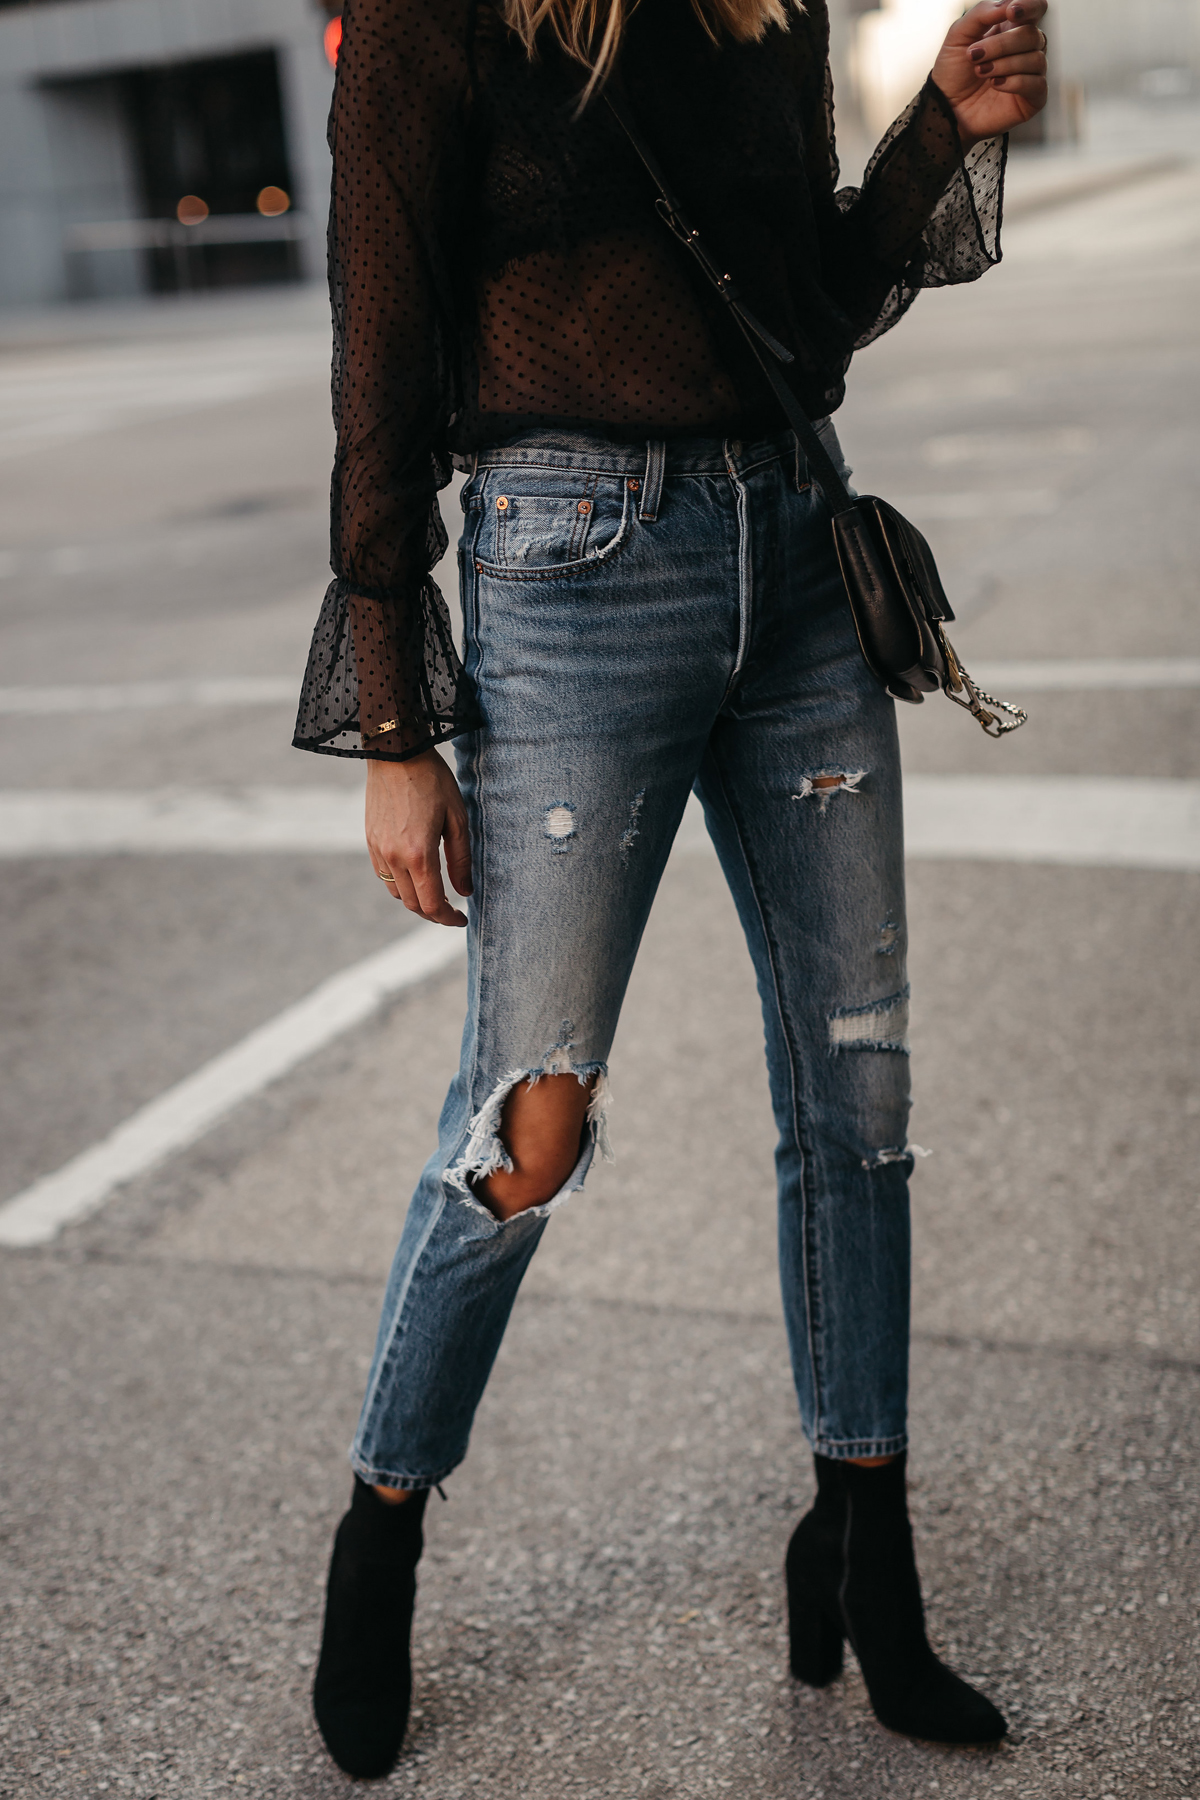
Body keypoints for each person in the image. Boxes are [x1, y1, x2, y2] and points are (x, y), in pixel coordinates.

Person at [292, 0, 1048, 1776]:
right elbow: (381, 366)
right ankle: (381, 1539)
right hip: (572, 581)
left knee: (858, 1097)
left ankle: (867, 1562)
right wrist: (396, 717)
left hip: (795, 566)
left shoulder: (763, 8)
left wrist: (936, 121)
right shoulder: (429, 25)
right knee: (529, 1122)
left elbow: (808, 307)